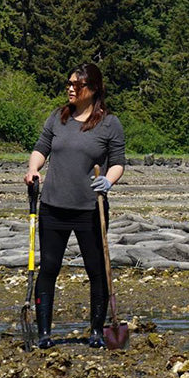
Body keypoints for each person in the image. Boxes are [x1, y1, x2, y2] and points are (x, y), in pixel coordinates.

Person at [23, 63, 126, 349]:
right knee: (49, 268)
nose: (70, 88)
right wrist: (33, 169)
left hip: (89, 210)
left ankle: (96, 330)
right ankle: (44, 333)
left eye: (76, 85)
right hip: (53, 206)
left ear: (92, 89)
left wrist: (108, 180)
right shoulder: (58, 117)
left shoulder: (109, 123)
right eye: (68, 83)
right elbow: (41, 148)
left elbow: (118, 162)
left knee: (97, 269)